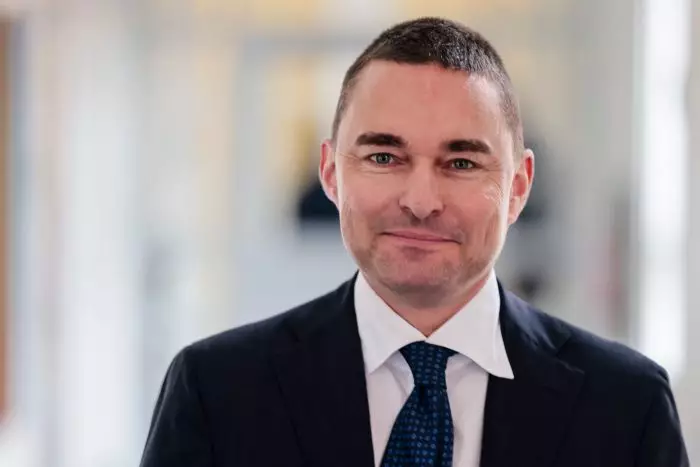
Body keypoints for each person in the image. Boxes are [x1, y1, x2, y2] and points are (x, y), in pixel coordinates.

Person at [139, 17, 689, 467]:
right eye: (384, 157)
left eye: (461, 162)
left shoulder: (625, 406)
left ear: (519, 187)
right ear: (331, 173)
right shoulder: (218, 392)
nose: (421, 200)